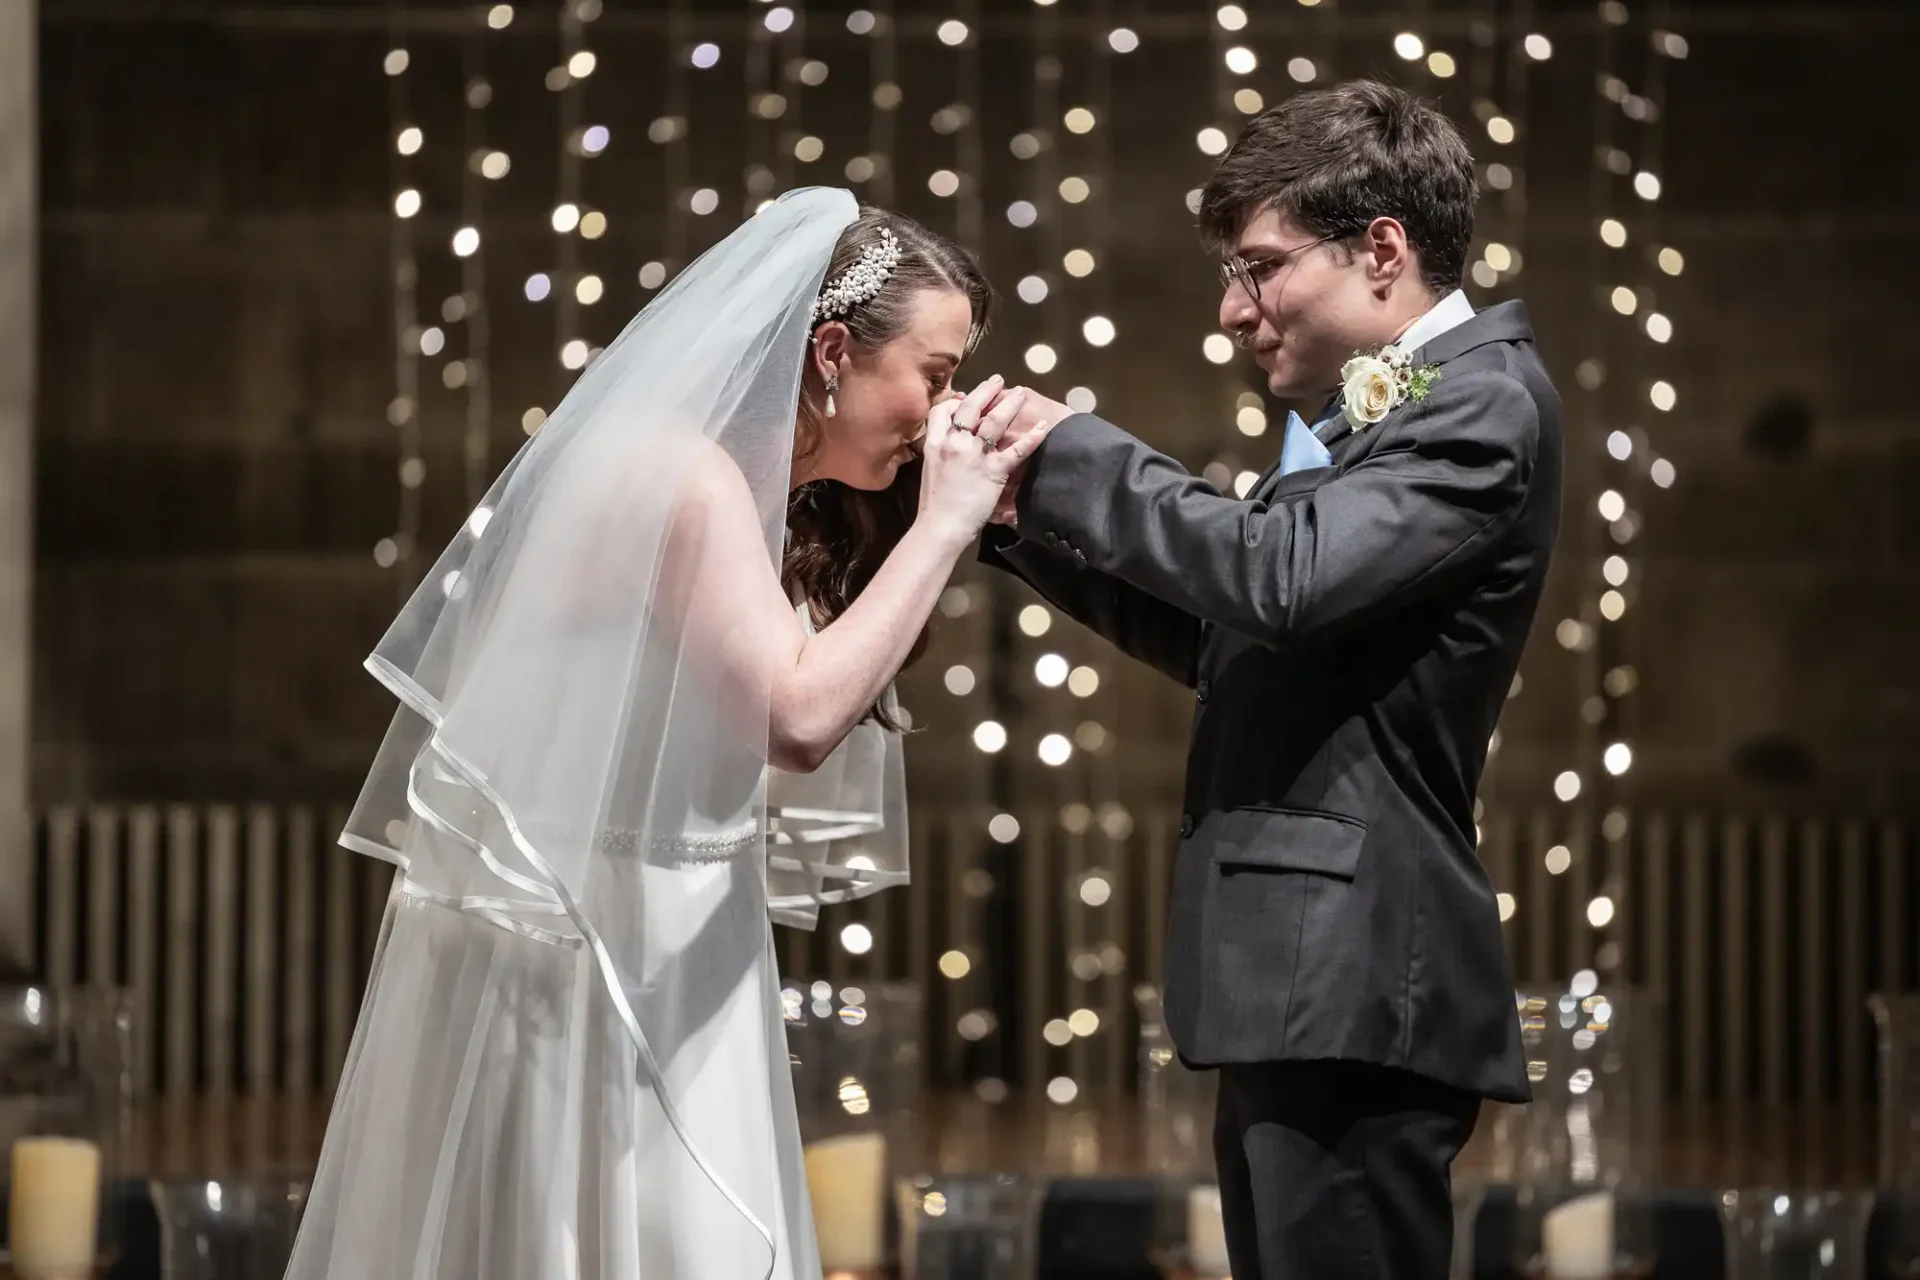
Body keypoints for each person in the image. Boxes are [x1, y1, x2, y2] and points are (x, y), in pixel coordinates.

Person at [284, 188, 1045, 1280]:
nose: (942, 409)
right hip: (606, 948)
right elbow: (798, 717)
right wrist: (947, 520)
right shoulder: (683, 477)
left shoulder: (727, 482)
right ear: (831, 351)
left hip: (681, 925)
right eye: (933, 373)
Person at [981, 81, 1561, 1278]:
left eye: (1259, 267)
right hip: (1306, 984)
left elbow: (1279, 575)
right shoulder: (1378, 419)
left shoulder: (1482, 403)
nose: (1232, 311)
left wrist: (1067, 443)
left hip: (1355, 981)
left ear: (1383, 249)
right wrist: (1015, 519)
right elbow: (1230, 634)